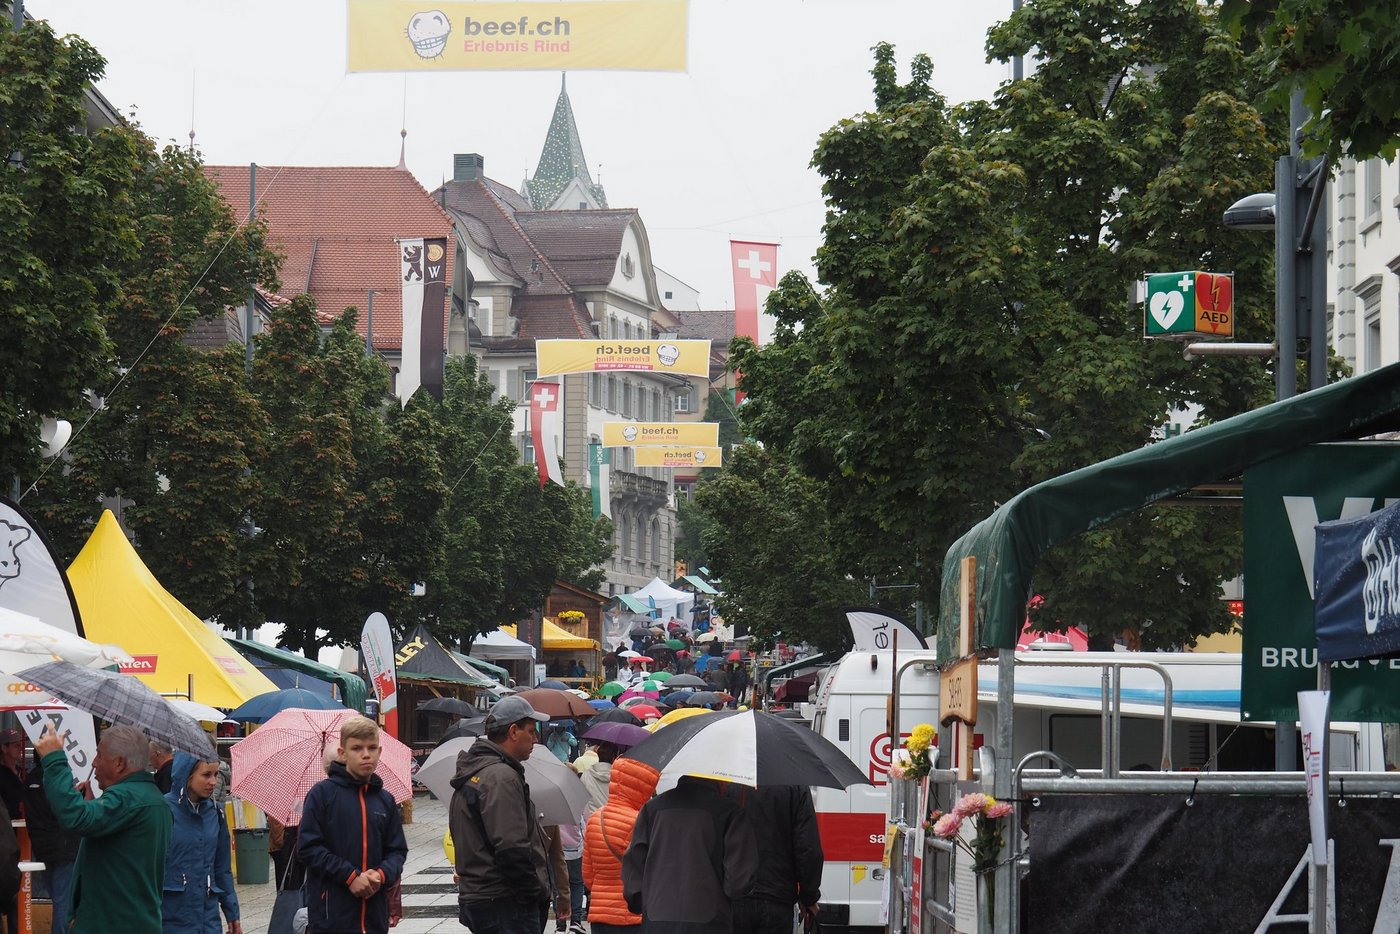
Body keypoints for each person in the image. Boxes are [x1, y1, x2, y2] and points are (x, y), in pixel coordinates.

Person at [36, 723, 173, 934]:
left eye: (99, 755)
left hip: (111, 924)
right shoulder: (150, 798)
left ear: (119, 763)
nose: (94, 762)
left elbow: (76, 817)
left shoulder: (128, 798)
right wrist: (93, 805)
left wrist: (54, 760)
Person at [449, 695, 553, 934]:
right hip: (504, 901)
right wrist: (533, 894)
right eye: (531, 731)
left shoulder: (479, 771)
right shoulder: (501, 777)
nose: (535, 739)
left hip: (483, 896)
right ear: (513, 731)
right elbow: (511, 847)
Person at [297, 716, 408, 934]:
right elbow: (308, 848)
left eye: (372, 748)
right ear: (342, 753)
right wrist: (350, 876)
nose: (366, 754)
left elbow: (397, 851)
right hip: (332, 915)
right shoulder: (322, 795)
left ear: (379, 751)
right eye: (357, 748)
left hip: (374, 916)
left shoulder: (385, 800)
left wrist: (381, 874)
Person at [622, 776, 758, 933]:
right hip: (710, 922)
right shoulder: (729, 812)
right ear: (721, 779)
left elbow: (634, 869)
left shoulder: (651, 809)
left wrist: (642, 902)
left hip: (657, 919)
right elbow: (737, 883)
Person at [725, 785, 823, 934]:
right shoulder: (795, 783)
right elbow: (807, 848)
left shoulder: (724, 780)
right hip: (778, 898)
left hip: (733, 896)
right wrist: (809, 897)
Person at [161, 752, 240, 933]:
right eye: (206, 775)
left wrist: (232, 912)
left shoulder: (216, 813)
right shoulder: (162, 810)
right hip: (171, 918)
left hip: (207, 918)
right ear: (187, 774)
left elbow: (222, 868)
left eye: (216, 774)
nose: (213, 781)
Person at [581, 756, 659, 934]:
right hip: (633, 914)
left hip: (600, 914)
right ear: (643, 787)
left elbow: (588, 876)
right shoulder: (641, 822)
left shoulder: (595, 818)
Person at [25, 749, 80, 934]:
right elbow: (65, 811)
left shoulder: (31, 778)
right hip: (65, 847)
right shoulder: (57, 779)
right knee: (63, 904)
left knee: (59, 900)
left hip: (44, 848)